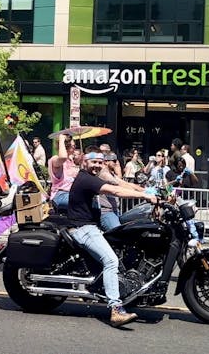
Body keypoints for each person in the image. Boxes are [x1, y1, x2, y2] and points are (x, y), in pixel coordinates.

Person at [67, 149, 158, 327]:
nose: (97, 165)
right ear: (85, 161)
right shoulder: (86, 179)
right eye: (94, 162)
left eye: (100, 162)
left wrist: (146, 190)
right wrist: (144, 195)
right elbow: (115, 191)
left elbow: (119, 183)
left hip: (91, 227)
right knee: (111, 260)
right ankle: (116, 310)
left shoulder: (94, 178)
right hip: (83, 228)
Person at [49, 135, 79, 212]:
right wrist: (61, 139)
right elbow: (62, 157)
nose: (75, 147)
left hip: (71, 193)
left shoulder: (71, 161)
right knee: (83, 200)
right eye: (73, 145)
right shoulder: (55, 159)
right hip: (60, 195)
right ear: (66, 146)